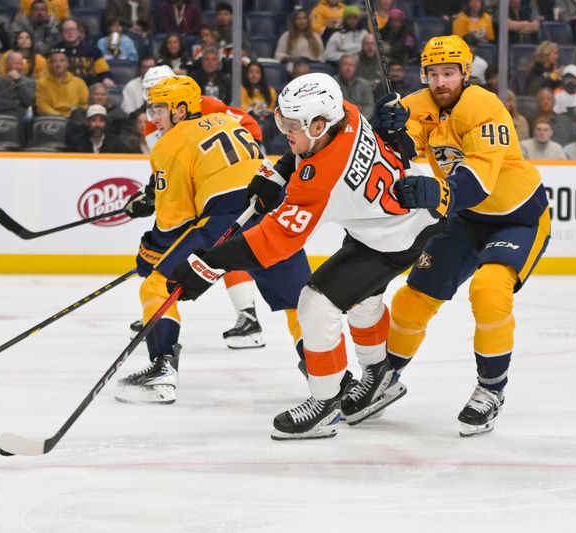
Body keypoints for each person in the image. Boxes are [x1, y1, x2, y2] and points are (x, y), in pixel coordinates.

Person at [167, 72, 443, 439]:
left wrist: (209, 263)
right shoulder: (345, 112)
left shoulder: (322, 180)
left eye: (293, 125)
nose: (285, 131)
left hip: (392, 239)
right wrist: (278, 174)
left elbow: (273, 241)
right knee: (362, 298)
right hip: (401, 222)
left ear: (318, 124)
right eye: (283, 121)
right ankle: (380, 375)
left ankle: (325, 402)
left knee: (316, 303)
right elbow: (303, 153)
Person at [370, 35, 551, 436]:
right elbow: (398, 150)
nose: (440, 82)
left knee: (489, 291)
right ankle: (386, 376)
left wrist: (436, 192)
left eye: (449, 73)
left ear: (465, 73)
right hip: (465, 218)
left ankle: (491, 388)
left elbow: (479, 178)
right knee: (412, 298)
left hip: (517, 217)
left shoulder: (485, 106)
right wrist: (383, 131)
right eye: (433, 74)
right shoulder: (416, 104)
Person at [114, 75, 311, 404]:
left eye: (158, 110)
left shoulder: (170, 143)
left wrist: (151, 254)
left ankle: (162, 370)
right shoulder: (226, 120)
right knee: (302, 302)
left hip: (227, 219)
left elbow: (175, 222)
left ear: (180, 110)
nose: (153, 118)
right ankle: (327, 376)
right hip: (275, 214)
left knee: (156, 287)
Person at [126, 64, 269, 349]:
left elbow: (251, 128)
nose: (154, 101)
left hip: (236, 176)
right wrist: (152, 192)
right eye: (150, 94)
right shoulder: (154, 123)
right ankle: (159, 309)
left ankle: (247, 314)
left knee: (224, 237)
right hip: (215, 183)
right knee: (223, 240)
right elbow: (172, 169)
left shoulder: (206, 106)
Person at [57, 18, 114, 87]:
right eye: (66, 30)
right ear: (61, 33)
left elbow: (103, 71)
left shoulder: (92, 50)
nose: (70, 32)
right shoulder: (55, 52)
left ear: (79, 32)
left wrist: (106, 79)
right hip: (63, 87)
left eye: (73, 29)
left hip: (89, 87)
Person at [36, 48, 89, 116]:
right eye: (54, 61)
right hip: (51, 118)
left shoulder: (79, 82)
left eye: (62, 61)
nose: (58, 64)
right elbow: (42, 104)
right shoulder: (42, 83)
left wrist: (75, 114)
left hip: (74, 117)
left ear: (67, 64)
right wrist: (59, 116)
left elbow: (85, 103)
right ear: (50, 64)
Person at [0, 51, 37, 119]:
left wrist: (18, 81)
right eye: (16, 63)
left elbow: (29, 102)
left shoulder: (29, 82)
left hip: (21, 119)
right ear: (7, 65)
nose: (19, 67)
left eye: (21, 64)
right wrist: (17, 103)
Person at [335, 54, 375, 121]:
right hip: (339, 122)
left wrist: (361, 120)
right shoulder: (333, 83)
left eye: (351, 65)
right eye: (345, 64)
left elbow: (369, 106)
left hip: (360, 120)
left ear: (356, 68)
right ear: (340, 67)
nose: (348, 68)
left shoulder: (364, 85)